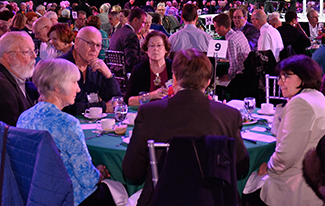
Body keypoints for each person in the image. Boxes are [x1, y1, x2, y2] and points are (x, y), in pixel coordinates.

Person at [122, 48, 249, 206]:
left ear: (174, 78)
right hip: (215, 199)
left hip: (163, 199)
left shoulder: (149, 113)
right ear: (208, 81)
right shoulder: (229, 115)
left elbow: (132, 171)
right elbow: (241, 167)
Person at [17, 58, 116, 206]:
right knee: (119, 189)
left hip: (35, 196)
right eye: (74, 82)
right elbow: (88, 180)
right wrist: (100, 173)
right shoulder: (67, 124)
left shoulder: (24, 117)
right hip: (71, 198)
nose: (78, 89)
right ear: (57, 87)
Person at [244, 55, 325, 206]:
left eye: (285, 77)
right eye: (279, 77)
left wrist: (268, 168)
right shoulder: (316, 97)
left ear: (303, 76)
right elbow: (277, 132)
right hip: (312, 180)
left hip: (297, 186)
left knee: (245, 187)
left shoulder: (301, 103)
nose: (280, 82)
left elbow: (287, 154)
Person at [59, 26, 121, 115]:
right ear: (76, 43)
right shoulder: (61, 67)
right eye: (90, 43)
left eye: (98, 45)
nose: (94, 49)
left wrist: (108, 75)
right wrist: (103, 107)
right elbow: (66, 108)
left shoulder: (98, 67)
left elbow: (115, 101)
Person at [124, 31, 172, 106]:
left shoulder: (174, 68)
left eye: (159, 45)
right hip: (147, 113)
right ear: (146, 50)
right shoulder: (138, 70)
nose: (155, 49)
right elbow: (129, 101)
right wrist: (152, 95)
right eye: (152, 46)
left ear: (166, 49)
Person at [0, 31, 37, 126]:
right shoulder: (3, 87)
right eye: (27, 52)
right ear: (9, 57)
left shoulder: (20, 75)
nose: (34, 56)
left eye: (34, 50)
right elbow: (14, 131)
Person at [109, 7, 147, 75]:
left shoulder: (117, 33)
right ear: (135, 20)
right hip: (128, 74)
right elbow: (131, 60)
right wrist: (148, 57)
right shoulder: (130, 36)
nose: (143, 26)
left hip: (115, 73)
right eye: (143, 22)